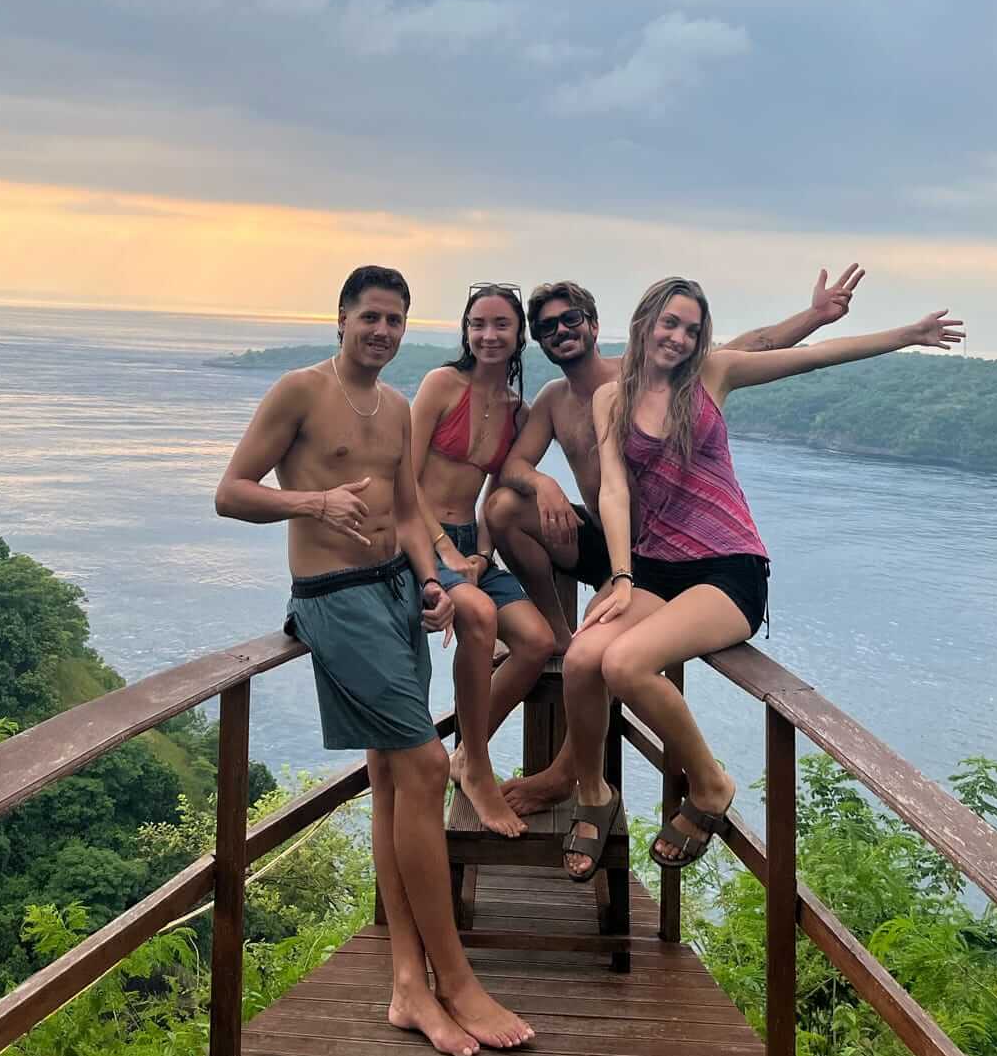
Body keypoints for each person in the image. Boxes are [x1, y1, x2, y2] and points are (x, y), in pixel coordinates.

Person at [214, 266, 533, 1056]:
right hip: (334, 596)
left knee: (395, 777)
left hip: (396, 591)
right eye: (371, 318)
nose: (383, 332)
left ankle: (406, 985)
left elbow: (408, 508)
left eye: (395, 320)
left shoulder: (395, 408)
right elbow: (230, 491)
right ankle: (453, 980)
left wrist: (432, 582)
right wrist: (314, 503)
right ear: (342, 320)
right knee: (426, 767)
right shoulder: (299, 391)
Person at [558, 275, 963, 883]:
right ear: (644, 324)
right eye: (670, 323)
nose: (679, 337)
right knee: (583, 656)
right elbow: (613, 489)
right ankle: (593, 793)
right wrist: (619, 575)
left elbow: (812, 356)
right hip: (655, 568)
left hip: (729, 570)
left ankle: (712, 784)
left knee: (625, 664)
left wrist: (908, 334)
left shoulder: (712, 377)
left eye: (692, 329)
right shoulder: (610, 399)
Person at [489, 267, 865, 818]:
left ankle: (569, 771)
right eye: (547, 327)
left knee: (615, 661)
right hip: (615, 545)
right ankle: (557, 636)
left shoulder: (645, 375)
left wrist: (815, 317)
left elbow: (747, 351)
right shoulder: (552, 399)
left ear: (596, 325)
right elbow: (517, 467)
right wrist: (543, 482)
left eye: (572, 319)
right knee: (506, 510)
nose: (561, 330)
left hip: (664, 553)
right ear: (538, 341)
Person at [411, 283, 556, 839]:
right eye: (478, 324)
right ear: (465, 331)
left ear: (518, 334)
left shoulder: (516, 409)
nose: (488, 336)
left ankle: (467, 755)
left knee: (537, 642)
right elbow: (406, 476)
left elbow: (497, 492)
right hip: (421, 535)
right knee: (480, 616)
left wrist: (482, 552)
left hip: (470, 541)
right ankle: (479, 766)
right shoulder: (442, 384)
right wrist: (446, 552)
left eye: (500, 325)